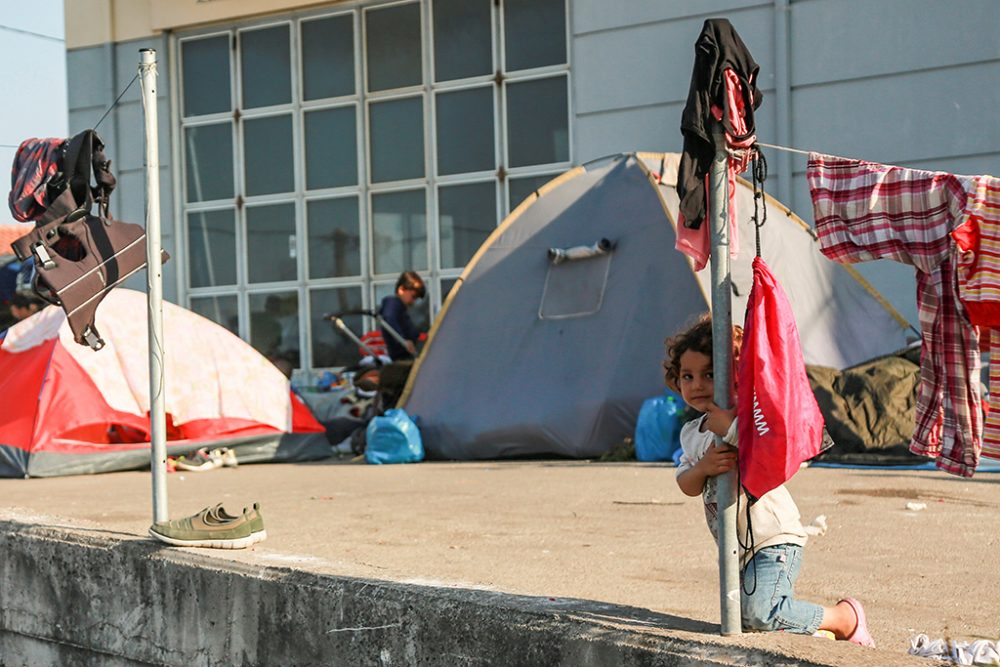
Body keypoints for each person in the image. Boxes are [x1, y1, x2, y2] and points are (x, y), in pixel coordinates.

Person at [663, 314, 875, 646]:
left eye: (709, 374)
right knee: (748, 617)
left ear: (735, 375)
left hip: (772, 536)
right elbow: (686, 484)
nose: (698, 385)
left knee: (760, 614)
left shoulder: (748, 417)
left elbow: (768, 453)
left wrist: (731, 429)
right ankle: (807, 625)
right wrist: (703, 467)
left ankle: (844, 619)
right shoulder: (692, 432)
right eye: (687, 376)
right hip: (736, 545)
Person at [378, 271, 425, 361]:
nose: (413, 301)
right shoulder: (393, 303)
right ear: (401, 290)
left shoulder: (401, 309)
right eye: (413, 296)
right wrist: (402, 340)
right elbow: (389, 318)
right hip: (402, 357)